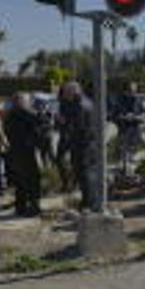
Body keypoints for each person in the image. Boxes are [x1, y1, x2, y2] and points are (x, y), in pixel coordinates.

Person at [3, 92, 42, 217]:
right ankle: (33, 206)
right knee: (32, 179)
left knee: (20, 181)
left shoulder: (9, 115)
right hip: (26, 151)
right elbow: (40, 128)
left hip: (15, 152)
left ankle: (21, 206)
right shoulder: (28, 114)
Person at [58, 82, 95, 211]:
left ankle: (87, 202)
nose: (64, 95)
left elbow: (77, 126)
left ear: (74, 92)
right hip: (84, 142)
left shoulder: (80, 105)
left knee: (82, 172)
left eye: (67, 92)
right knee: (83, 172)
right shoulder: (84, 102)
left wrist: (64, 122)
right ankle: (87, 200)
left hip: (82, 143)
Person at [112, 81, 145, 177]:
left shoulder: (141, 98)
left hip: (137, 127)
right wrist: (124, 116)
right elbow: (114, 114)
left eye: (133, 90)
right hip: (125, 128)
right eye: (129, 90)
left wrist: (137, 117)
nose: (132, 92)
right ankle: (125, 171)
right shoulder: (119, 99)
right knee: (124, 151)